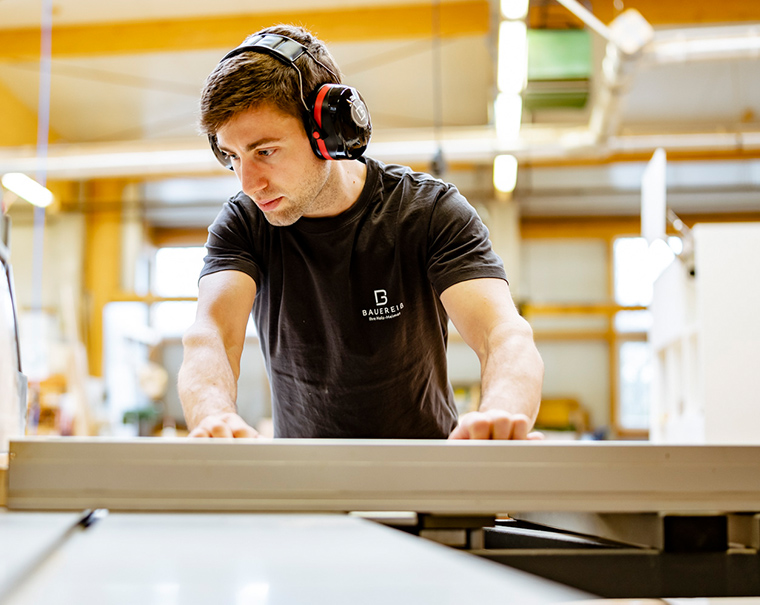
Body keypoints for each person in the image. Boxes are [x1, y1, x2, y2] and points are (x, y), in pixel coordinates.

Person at [178, 24, 543, 441]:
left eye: (265, 151)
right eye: (232, 156)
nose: (248, 182)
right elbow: (212, 337)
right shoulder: (245, 224)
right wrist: (213, 416)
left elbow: (502, 333)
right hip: (306, 488)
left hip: (424, 482)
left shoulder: (428, 213)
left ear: (329, 132)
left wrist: (502, 412)